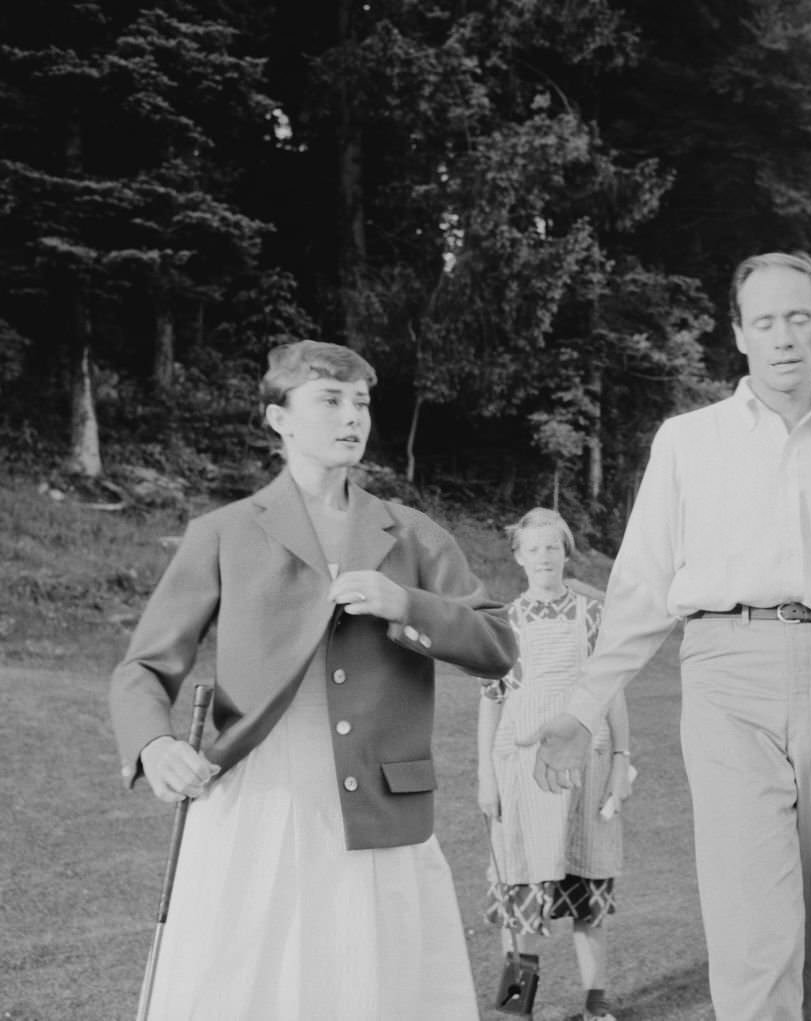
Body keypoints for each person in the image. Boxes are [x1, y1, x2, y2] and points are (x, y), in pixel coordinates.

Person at [523, 252, 811, 1020]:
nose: (785, 336)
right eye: (765, 321)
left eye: (800, 316)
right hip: (726, 679)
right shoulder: (689, 441)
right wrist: (585, 704)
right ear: (738, 334)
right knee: (756, 927)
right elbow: (640, 588)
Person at [109, 340, 516, 1020]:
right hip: (260, 797)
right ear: (279, 419)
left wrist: (405, 605)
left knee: (375, 985)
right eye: (329, 399)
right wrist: (153, 744)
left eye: (360, 401)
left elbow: (499, 644)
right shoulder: (223, 532)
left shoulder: (412, 534)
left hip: (380, 806)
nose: (351, 415)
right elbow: (143, 668)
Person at [477, 508, 633, 1021]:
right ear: (519, 557)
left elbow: (610, 691)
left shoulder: (591, 616)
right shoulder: (503, 622)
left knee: (587, 887)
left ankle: (596, 1003)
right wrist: (486, 778)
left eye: (552, 547)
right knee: (519, 884)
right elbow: (492, 700)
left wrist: (619, 763)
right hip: (521, 770)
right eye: (533, 549)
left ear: (566, 553)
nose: (543, 557)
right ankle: (517, 1006)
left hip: (584, 766)